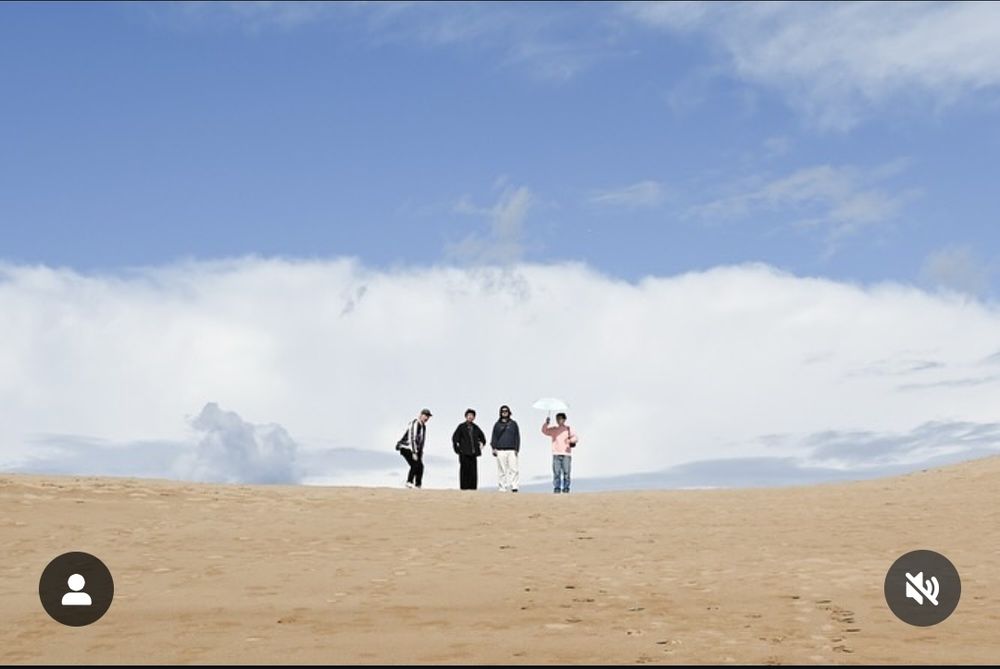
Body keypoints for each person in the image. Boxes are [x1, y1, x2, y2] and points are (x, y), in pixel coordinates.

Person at [542, 412, 578, 493]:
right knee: (556, 473)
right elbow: (544, 431)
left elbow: (576, 438)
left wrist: (570, 440)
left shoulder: (568, 428)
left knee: (566, 473)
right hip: (556, 454)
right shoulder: (554, 429)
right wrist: (546, 423)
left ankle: (566, 488)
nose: (559, 420)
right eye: (557, 418)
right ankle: (557, 488)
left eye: (560, 418)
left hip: (566, 454)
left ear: (564, 419)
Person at [452, 408, 487, 490]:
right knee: (464, 471)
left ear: (474, 417)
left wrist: (481, 445)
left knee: (473, 472)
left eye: (472, 416)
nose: (470, 417)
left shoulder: (476, 427)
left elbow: (483, 438)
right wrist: (457, 450)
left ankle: (473, 489)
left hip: (473, 454)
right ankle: (464, 488)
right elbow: (454, 438)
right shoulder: (461, 427)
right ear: (466, 416)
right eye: (469, 415)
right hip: (464, 453)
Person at [396, 408, 431, 488]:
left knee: (420, 466)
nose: (427, 418)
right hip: (406, 447)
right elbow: (412, 438)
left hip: (415, 449)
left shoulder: (423, 427)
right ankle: (409, 482)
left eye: (428, 416)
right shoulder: (415, 423)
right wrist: (414, 452)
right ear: (421, 415)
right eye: (425, 415)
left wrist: (420, 452)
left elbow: (422, 440)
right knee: (415, 464)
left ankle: (418, 484)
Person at [490, 404, 521, 492]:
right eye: (503, 411)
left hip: (512, 449)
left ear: (509, 412)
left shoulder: (513, 424)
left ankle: (514, 486)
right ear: (500, 413)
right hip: (500, 450)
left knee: (514, 469)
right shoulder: (497, 424)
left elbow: (517, 436)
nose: (504, 413)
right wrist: (493, 448)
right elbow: (494, 436)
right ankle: (502, 487)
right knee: (502, 470)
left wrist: (517, 449)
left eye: (506, 411)